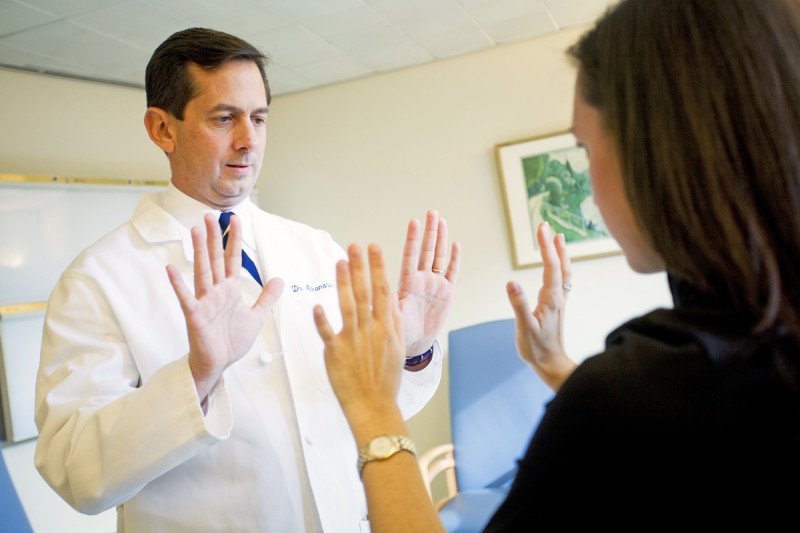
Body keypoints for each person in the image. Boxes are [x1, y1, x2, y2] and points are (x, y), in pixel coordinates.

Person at [313, 0, 800, 529]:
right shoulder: (747, 348)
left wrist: (373, 409)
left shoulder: (642, 387)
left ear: (654, 152)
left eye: (586, 148)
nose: (590, 189)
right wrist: (554, 365)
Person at [34, 28, 460, 532]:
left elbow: (370, 408)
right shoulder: (98, 279)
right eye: (224, 118)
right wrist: (197, 376)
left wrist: (409, 351)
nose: (248, 140)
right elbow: (75, 472)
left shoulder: (314, 247)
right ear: (162, 129)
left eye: (258, 119)